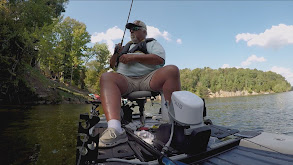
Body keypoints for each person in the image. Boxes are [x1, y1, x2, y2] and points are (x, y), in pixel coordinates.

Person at [98, 20, 181, 148]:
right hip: (126, 80)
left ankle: (174, 124)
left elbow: (160, 59)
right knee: (106, 77)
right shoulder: (125, 47)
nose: (132, 31)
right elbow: (112, 65)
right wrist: (116, 53)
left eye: (135, 28)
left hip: (149, 78)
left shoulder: (151, 43)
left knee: (172, 70)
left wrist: (133, 57)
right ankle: (115, 129)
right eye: (130, 29)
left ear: (144, 31)